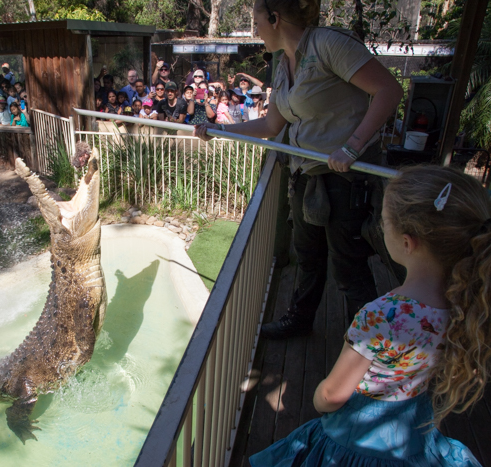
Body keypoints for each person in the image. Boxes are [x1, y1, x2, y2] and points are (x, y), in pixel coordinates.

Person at [250, 165, 487, 466]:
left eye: (384, 222)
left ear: (407, 242)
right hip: (413, 434)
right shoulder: (469, 303)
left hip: (356, 442)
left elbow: (334, 394)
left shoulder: (382, 316)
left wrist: (319, 396)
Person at [195, 0, 404, 339]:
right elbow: (271, 123)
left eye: (257, 21)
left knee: (348, 267)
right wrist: (217, 131)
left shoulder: (328, 45)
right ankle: (300, 321)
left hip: (345, 178)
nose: (255, 29)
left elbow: (388, 90)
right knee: (308, 257)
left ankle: (369, 346)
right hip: (306, 176)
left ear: (275, 18)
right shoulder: (284, 65)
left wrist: (352, 145)